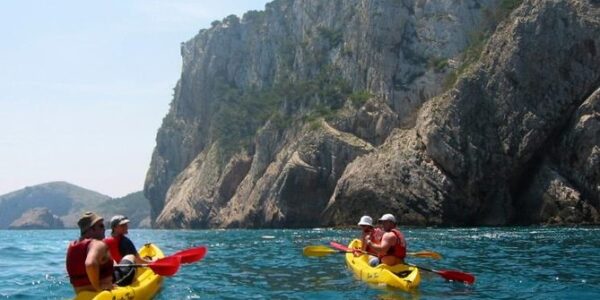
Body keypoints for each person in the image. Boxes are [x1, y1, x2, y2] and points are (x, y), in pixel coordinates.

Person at [66, 211, 114, 292]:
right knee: (130, 259)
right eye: (101, 226)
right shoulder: (97, 244)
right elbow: (90, 264)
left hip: (81, 294)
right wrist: (97, 288)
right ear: (91, 229)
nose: (104, 229)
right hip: (102, 292)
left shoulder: (72, 246)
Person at [104, 215, 151, 286]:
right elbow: (139, 261)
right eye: (122, 225)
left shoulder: (103, 241)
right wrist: (152, 262)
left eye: (126, 224)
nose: (126, 227)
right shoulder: (126, 242)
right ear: (114, 228)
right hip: (123, 276)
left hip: (109, 275)